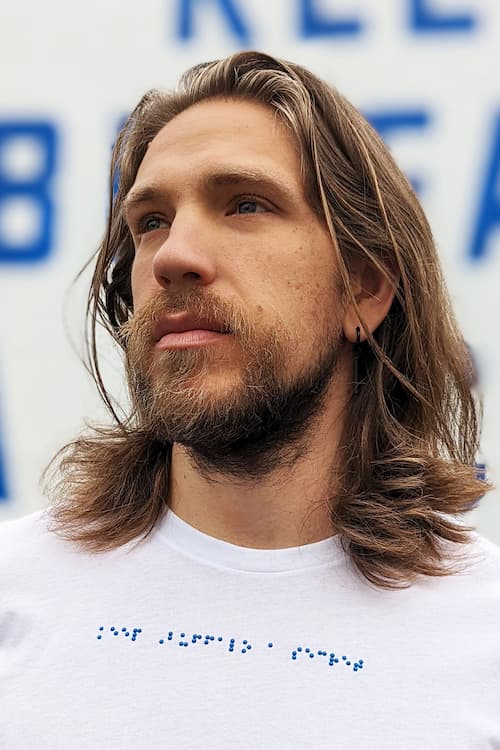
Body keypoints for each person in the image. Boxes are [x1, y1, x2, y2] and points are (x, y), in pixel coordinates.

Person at [1, 51, 499, 749]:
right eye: (150, 221)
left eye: (245, 204)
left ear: (363, 289)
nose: (175, 254)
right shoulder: (13, 595)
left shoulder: (484, 637)